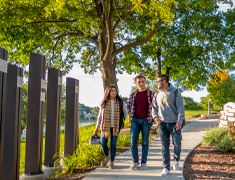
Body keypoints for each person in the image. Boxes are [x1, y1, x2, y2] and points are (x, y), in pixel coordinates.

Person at [152, 74, 185, 176]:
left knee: (177, 144)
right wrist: (156, 119)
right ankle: (166, 167)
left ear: (164, 81)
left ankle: (176, 160)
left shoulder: (175, 93)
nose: (157, 83)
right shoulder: (157, 94)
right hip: (162, 124)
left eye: (158, 81)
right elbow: (154, 108)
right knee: (164, 146)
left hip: (175, 123)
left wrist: (179, 121)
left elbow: (181, 109)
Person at [94, 84, 128, 169]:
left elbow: (125, 113)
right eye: (112, 91)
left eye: (115, 91)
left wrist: (121, 121)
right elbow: (100, 115)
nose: (114, 92)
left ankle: (112, 162)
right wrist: (97, 127)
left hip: (116, 127)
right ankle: (107, 156)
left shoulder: (121, 102)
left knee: (113, 144)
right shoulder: (104, 102)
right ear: (108, 92)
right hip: (105, 126)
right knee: (103, 143)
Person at [128, 75, 155, 170]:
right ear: (136, 83)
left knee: (145, 142)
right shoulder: (133, 95)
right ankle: (135, 161)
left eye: (142, 81)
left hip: (146, 121)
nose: (141, 83)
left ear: (145, 82)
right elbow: (129, 107)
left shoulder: (151, 94)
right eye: (139, 82)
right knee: (133, 142)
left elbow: (155, 107)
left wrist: (152, 118)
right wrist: (130, 117)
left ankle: (144, 162)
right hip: (135, 120)